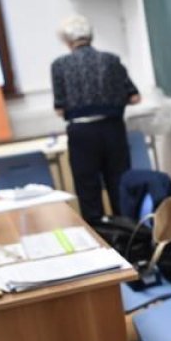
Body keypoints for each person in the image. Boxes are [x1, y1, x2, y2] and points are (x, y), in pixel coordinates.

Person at [51, 14, 141, 223]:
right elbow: (134, 97)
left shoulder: (60, 65)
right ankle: (128, 234)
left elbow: (59, 109)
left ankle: (100, 235)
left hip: (82, 134)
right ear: (90, 36)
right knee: (119, 184)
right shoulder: (111, 60)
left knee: (88, 189)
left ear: (67, 40)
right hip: (113, 129)